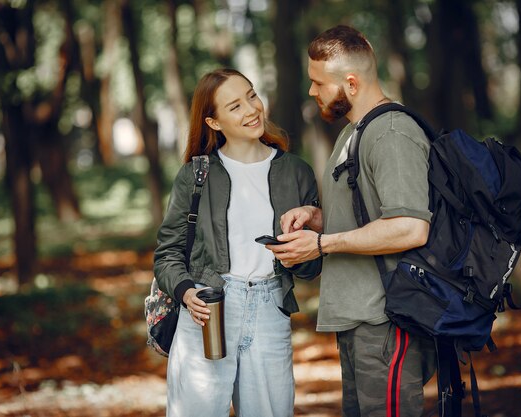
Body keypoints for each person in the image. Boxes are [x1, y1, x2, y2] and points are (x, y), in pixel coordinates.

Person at [269, 26, 435, 416]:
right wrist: (316, 219)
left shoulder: (392, 133)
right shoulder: (354, 133)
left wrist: (323, 244)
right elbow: (372, 216)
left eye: (318, 83)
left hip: (387, 321)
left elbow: (411, 226)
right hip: (358, 319)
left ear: (351, 83)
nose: (312, 92)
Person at [153, 68, 322, 417]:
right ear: (213, 123)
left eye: (251, 95)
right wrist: (186, 291)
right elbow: (168, 253)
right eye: (234, 106)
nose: (251, 109)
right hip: (207, 309)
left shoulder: (297, 172)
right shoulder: (196, 175)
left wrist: (296, 256)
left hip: (270, 310)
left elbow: (312, 264)